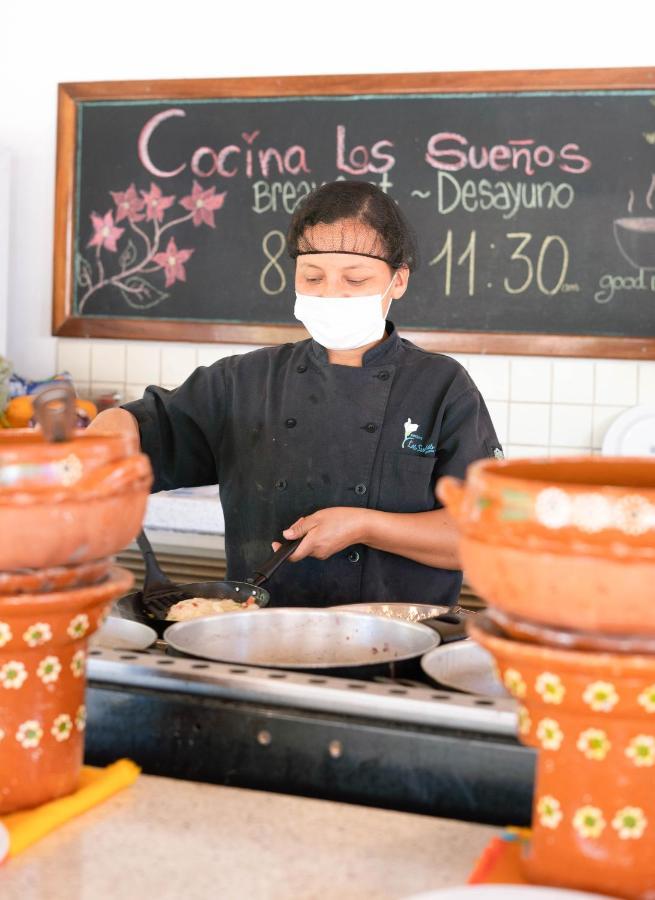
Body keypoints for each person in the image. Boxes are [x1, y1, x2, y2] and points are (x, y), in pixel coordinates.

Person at [88, 181, 502, 606]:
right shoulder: (245, 381)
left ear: (398, 281)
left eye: (355, 279)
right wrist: (114, 426)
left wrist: (364, 526)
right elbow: (142, 430)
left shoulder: (442, 389)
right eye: (313, 277)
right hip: (260, 641)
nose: (330, 293)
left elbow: (482, 537)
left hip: (401, 652)